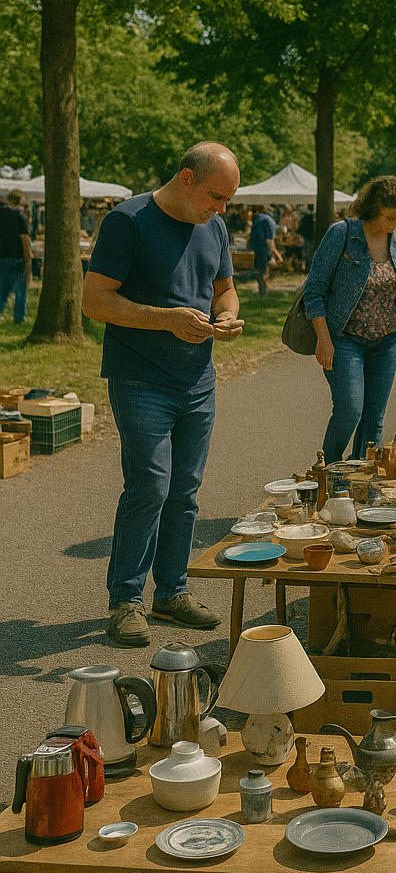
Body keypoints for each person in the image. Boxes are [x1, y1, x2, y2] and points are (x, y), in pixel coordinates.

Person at [82, 142, 244, 647]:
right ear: (186, 178)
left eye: (228, 200)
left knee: (185, 491)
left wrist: (227, 315)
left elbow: (224, 289)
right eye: (216, 196)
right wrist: (166, 319)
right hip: (140, 378)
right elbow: (94, 301)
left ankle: (171, 592)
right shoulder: (127, 221)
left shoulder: (213, 226)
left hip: (197, 380)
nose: (222, 209)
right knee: (149, 486)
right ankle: (125, 600)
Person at [306, 175, 396, 463]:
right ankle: (328, 470)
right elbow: (315, 289)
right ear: (372, 209)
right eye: (390, 217)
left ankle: (362, 477)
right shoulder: (342, 233)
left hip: (387, 341)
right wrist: (323, 339)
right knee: (350, 410)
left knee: (374, 419)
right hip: (344, 338)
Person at [0, 189, 32, 324]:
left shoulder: (2, 213)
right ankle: (19, 317)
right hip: (17, 256)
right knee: (20, 289)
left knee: (2, 287)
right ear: (20, 200)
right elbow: (24, 237)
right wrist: (28, 255)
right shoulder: (21, 215)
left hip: (2, 255)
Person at [248, 205, 282, 296]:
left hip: (261, 250)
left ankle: (263, 292)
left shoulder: (260, 220)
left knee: (261, 273)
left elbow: (267, 239)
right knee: (264, 272)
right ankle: (263, 292)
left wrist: (276, 254)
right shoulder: (269, 219)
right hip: (265, 249)